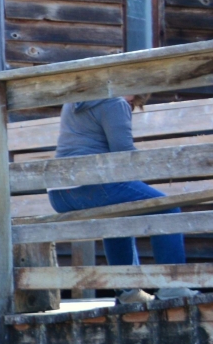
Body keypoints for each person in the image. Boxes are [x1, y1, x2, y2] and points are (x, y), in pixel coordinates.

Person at [47, 96, 186, 303]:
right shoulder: (116, 102)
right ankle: (173, 286)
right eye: (133, 104)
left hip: (59, 194)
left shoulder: (76, 98)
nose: (129, 108)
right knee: (167, 208)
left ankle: (128, 292)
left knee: (117, 212)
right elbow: (124, 155)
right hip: (92, 185)